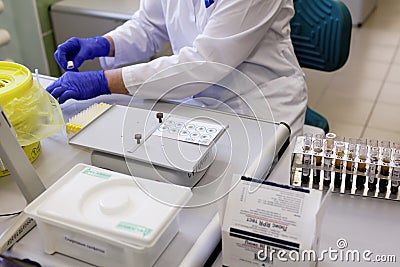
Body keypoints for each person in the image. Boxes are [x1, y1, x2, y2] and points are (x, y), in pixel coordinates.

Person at [46, 0, 307, 137]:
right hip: (195, 98)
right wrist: (104, 44)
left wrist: (104, 81)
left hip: (259, 105)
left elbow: (205, 62)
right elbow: (149, 24)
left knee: (241, 208)